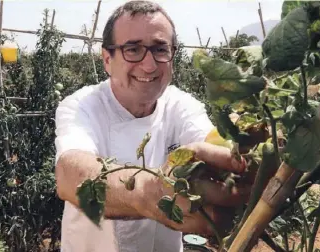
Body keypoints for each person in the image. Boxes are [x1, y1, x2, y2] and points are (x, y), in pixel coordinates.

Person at [54, 1, 250, 251]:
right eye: (133, 50)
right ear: (107, 59)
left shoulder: (180, 105)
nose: (149, 65)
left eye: (160, 49)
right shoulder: (82, 106)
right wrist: (151, 191)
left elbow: (210, 144)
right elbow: (71, 175)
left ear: (173, 56)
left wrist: (238, 159)